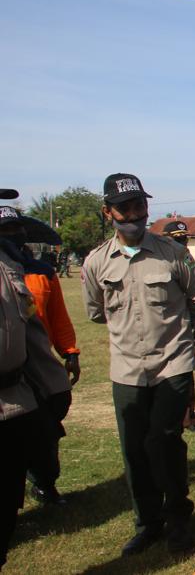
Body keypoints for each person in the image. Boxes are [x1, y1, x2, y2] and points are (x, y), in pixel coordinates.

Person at [82, 173, 195, 555]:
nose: (135, 214)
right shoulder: (96, 262)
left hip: (172, 363)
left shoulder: (173, 253)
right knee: (134, 450)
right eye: (125, 208)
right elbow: (96, 312)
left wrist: (183, 332)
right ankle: (148, 523)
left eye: (140, 205)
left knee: (164, 441)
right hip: (127, 370)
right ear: (108, 212)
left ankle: (178, 520)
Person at [0, 209, 78, 507]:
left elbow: (58, 317)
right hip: (11, 368)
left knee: (47, 429)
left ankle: (46, 482)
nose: (12, 235)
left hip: (40, 364)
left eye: (15, 228)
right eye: (4, 230)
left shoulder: (41, 271)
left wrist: (69, 351)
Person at [0, 205, 49, 568]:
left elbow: (28, 332)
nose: (13, 236)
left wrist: (52, 384)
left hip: (14, 401)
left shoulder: (11, 268)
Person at [162, 220, 195, 431]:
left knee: (184, 371)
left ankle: (189, 418)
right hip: (159, 323)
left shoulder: (186, 258)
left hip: (181, 323)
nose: (182, 242)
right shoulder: (157, 257)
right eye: (177, 239)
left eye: (184, 238)